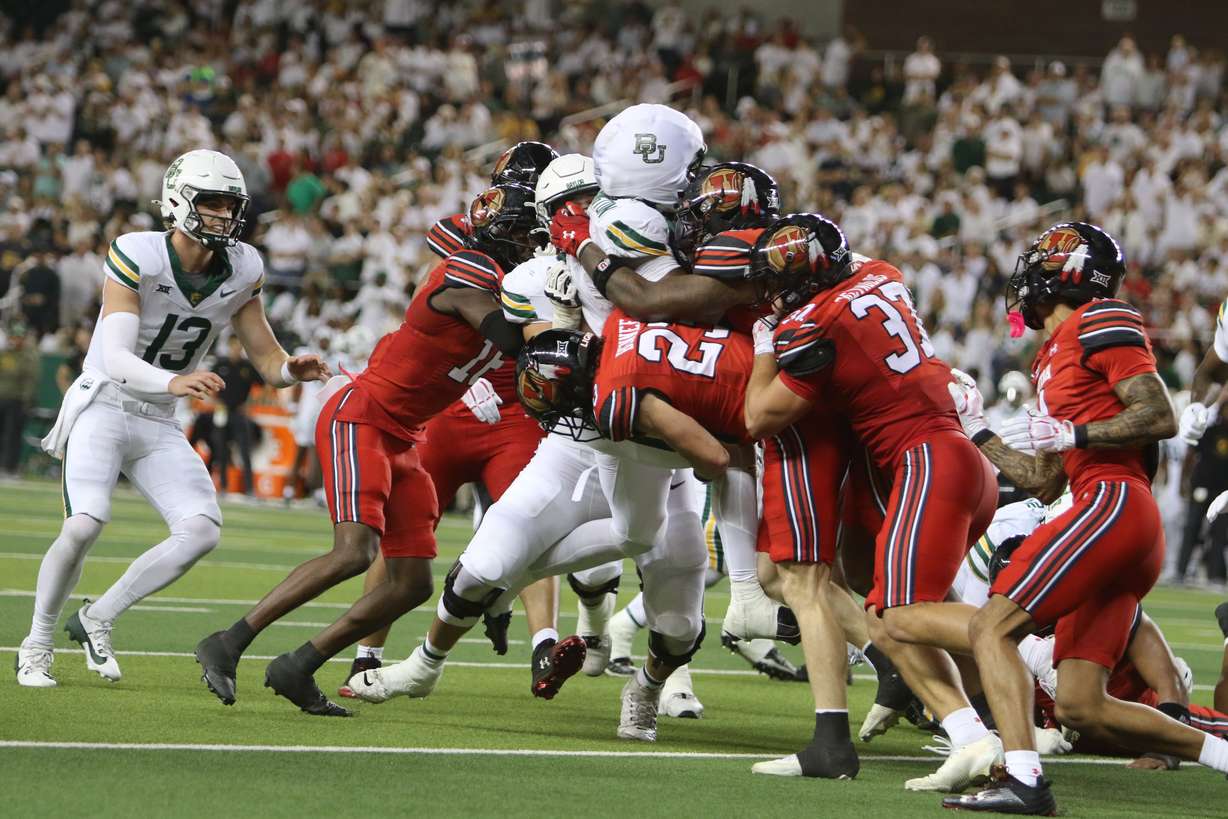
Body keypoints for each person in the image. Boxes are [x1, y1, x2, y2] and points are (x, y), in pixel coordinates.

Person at [192, 182, 537, 716]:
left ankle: (300, 665)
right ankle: (229, 640)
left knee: (412, 584)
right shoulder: (468, 270)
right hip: (364, 416)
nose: (528, 244)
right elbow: (509, 334)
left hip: (405, 434)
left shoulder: (496, 273)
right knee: (355, 552)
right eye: (520, 233)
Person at [14, 149, 331, 689]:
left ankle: (97, 616)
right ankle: (36, 643)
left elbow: (264, 353)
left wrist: (288, 370)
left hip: (158, 419)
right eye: (210, 203)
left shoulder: (243, 267)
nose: (222, 216)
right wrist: (174, 381)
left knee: (201, 530)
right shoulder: (139, 253)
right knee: (85, 522)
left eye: (230, 205)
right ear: (179, 201)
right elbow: (114, 355)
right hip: (105, 404)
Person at [946, 222, 1228, 814]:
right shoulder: (1053, 353)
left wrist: (1077, 431)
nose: (1029, 271)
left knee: (988, 627)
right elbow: (1047, 479)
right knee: (1079, 705)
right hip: (1106, 507)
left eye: (1043, 258)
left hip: (1113, 503)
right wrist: (980, 431)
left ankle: (1025, 783)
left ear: (1070, 271)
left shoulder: (1102, 317)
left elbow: (1158, 415)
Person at [743, 212, 998, 786]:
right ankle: (971, 735)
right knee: (888, 613)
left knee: (901, 616)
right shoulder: (882, 273)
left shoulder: (813, 323)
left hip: (925, 462)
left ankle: (1023, 651)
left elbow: (758, 416)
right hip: (953, 455)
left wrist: (764, 342)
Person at [211, 334, 261, 496]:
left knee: (244, 450)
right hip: (223, 411)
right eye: (234, 346)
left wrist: (250, 403)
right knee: (222, 449)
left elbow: (261, 385)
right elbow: (208, 383)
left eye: (238, 346)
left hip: (240, 412)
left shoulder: (247, 366)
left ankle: (249, 488)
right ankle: (223, 486)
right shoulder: (221, 364)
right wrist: (215, 402)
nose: (236, 349)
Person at [0, 320, 40, 476]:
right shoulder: (4, 354)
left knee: (12, 435)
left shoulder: (28, 357)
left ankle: (9, 468)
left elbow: (30, 380)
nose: (15, 340)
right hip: (1, 397)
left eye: (19, 337)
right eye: (14, 336)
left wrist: (27, 401)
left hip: (16, 400)